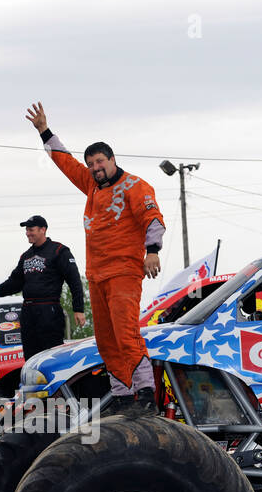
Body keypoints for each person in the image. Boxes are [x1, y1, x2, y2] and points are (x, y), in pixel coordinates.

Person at [26, 102, 166, 411]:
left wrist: (152, 251)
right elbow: (66, 163)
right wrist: (44, 131)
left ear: (112, 159)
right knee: (106, 339)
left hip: (124, 272)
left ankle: (145, 394)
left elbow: (152, 218)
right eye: (91, 163)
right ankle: (122, 394)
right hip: (97, 275)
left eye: (100, 161)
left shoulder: (135, 186)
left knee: (126, 332)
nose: (95, 167)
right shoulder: (91, 184)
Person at [0, 215, 86, 360]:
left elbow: (74, 280)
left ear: (43, 230)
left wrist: (78, 309)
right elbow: (15, 281)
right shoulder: (26, 255)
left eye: (31, 229)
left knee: (52, 356)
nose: (28, 233)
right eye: (26, 230)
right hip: (28, 311)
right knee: (30, 357)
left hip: (49, 310)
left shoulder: (59, 250)